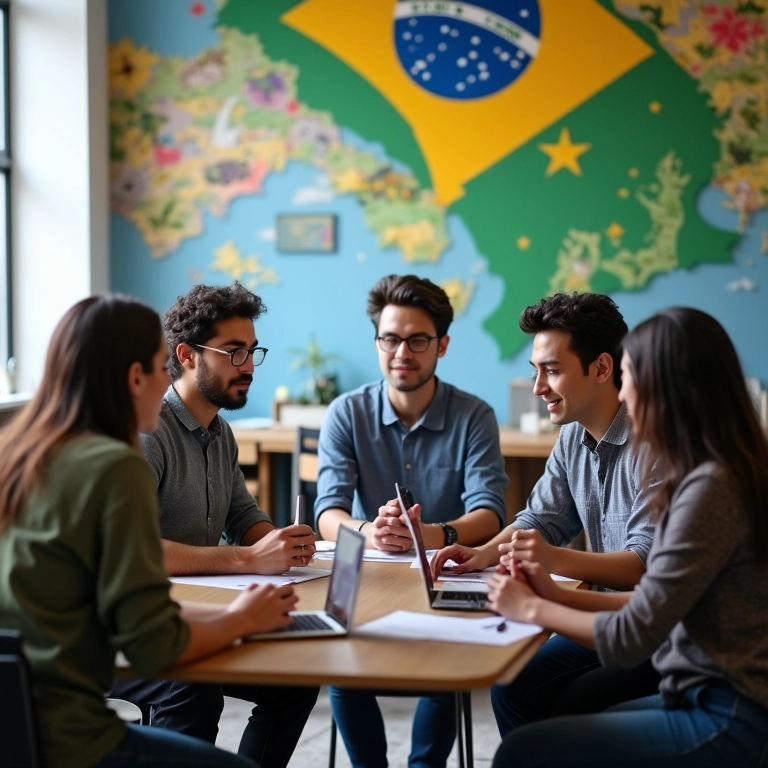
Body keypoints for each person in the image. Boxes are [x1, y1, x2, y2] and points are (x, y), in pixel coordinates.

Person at [0, 295, 301, 768]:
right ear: (133, 376)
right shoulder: (114, 463)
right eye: (161, 367)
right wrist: (241, 618)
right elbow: (152, 643)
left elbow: (118, 609)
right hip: (67, 738)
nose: (167, 383)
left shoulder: (27, 452)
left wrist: (246, 609)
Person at [488, 307, 768, 768]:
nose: (624, 389)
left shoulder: (709, 489)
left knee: (526, 749)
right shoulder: (713, 472)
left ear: (665, 386)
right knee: (551, 722)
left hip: (727, 711)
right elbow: (653, 605)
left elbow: (635, 633)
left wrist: (536, 608)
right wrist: (549, 594)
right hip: (704, 693)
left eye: (630, 374)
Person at [431, 292, 659, 735]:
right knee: (516, 681)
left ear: (602, 368)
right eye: (536, 371)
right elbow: (541, 519)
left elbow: (644, 566)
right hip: (604, 614)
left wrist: (554, 561)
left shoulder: (654, 443)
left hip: (657, 628)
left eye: (552, 371)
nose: (538, 388)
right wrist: (482, 554)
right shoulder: (574, 436)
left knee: (555, 698)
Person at [110, 283, 318, 768]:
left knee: (295, 677)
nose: (247, 366)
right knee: (193, 688)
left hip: (189, 609)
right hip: (128, 624)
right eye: (233, 352)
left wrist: (279, 543)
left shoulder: (221, 431)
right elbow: (133, 551)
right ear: (185, 355)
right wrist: (249, 559)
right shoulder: (148, 430)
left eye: (252, 351)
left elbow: (241, 513)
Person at [315, 273, 508, 768]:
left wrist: (433, 534)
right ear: (376, 342)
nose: (402, 351)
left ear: (442, 345)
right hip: (371, 575)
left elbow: (491, 512)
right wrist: (371, 530)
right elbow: (328, 513)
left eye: (417, 340)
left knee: (446, 657)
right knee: (341, 659)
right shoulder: (345, 412)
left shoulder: (474, 415)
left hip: (443, 571)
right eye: (390, 338)